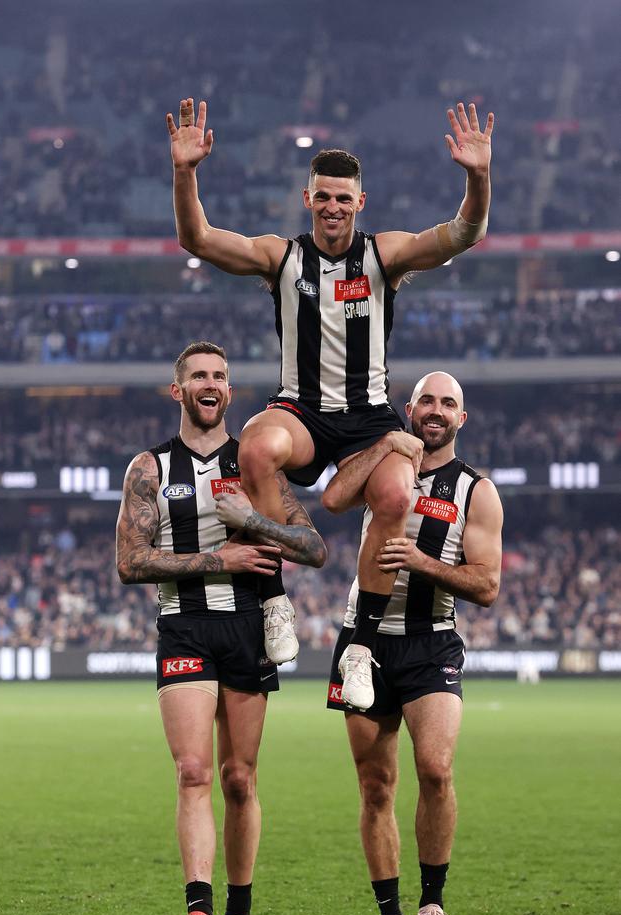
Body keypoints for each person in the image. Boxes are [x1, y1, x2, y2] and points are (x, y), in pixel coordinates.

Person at [166, 97, 494, 705]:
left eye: (344, 198)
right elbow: (199, 238)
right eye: (324, 196)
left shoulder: (384, 256)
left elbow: (463, 233)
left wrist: (477, 177)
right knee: (257, 448)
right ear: (307, 199)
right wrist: (186, 171)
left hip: (370, 417)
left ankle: (362, 646)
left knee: (399, 493)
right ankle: (273, 602)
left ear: (359, 203)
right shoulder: (282, 258)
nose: (334, 207)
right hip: (303, 411)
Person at [116, 341, 326, 915]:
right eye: (198, 376)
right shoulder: (149, 468)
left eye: (220, 377)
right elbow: (130, 561)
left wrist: (257, 524)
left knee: (239, 777)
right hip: (183, 626)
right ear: (178, 391)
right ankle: (200, 914)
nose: (211, 384)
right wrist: (220, 558)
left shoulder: (256, 464)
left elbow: (313, 548)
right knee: (193, 772)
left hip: (245, 631)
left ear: (230, 393)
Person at [325, 371, 503, 915]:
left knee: (435, 769)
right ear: (408, 408)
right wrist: (382, 445)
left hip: (431, 641)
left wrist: (423, 562)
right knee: (376, 784)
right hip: (364, 641)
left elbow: (486, 584)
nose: (436, 409)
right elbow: (331, 497)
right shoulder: (379, 468)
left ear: (461, 419)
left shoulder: (476, 489)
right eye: (426, 399)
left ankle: (432, 905)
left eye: (448, 403)